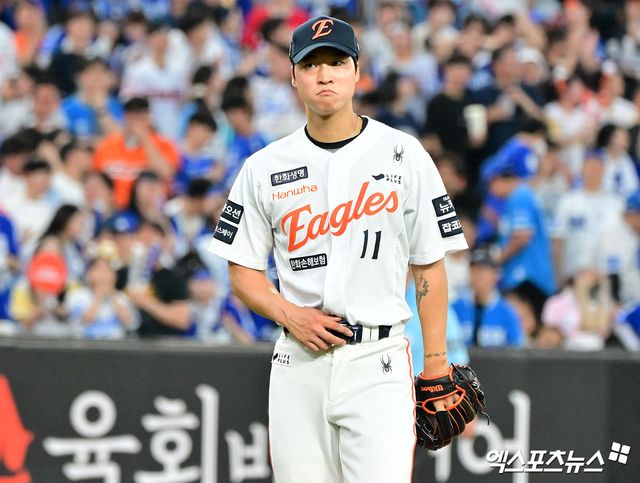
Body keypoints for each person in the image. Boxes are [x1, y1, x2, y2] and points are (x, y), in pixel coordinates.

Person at [208, 16, 470, 483]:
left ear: (356, 72)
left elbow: (429, 265)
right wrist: (290, 315)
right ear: (293, 77)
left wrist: (435, 363)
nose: (324, 75)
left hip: (378, 360)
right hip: (298, 362)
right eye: (311, 65)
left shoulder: (404, 154)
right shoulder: (264, 167)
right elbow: (242, 270)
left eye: (336, 62)